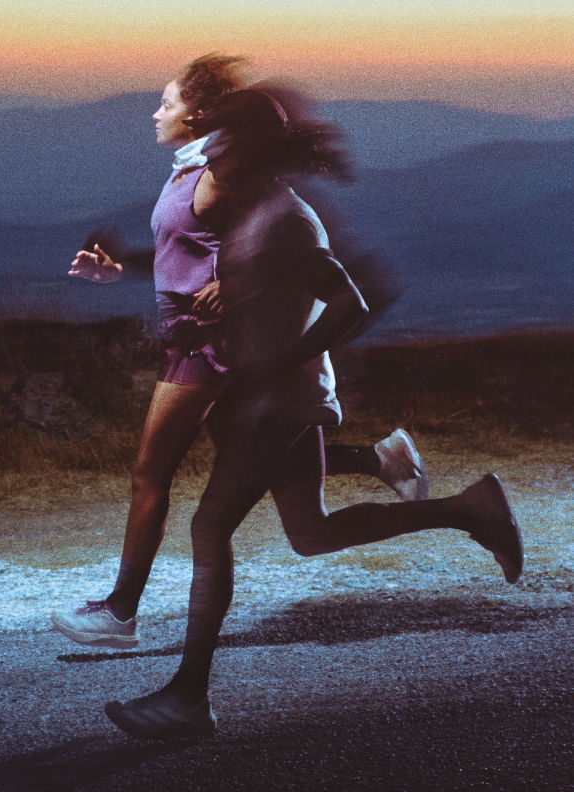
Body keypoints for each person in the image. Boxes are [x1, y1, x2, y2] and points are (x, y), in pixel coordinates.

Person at [102, 89, 524, 739]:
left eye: (219, 137)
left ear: (244, 145)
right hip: (275, 394)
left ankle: (187, 700)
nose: (208, 146)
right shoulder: (255, 212)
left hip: (280, 402)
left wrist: (275, 366)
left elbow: (354, 300)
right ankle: (469, 509)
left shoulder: (283, 218)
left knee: (210, 530)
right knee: (310, 532)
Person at [52, 59, 429, 651]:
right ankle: (387, 462)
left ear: (199, 115)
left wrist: (240, 286)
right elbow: (187, 250)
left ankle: (123, 614)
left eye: (166, 103)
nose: (156, 113)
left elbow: (289, 252)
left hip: (209, 349)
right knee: (292, 501)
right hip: (193, 340)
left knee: (152, 473)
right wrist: (121, 268)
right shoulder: (192, 171)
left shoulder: (233, 178)